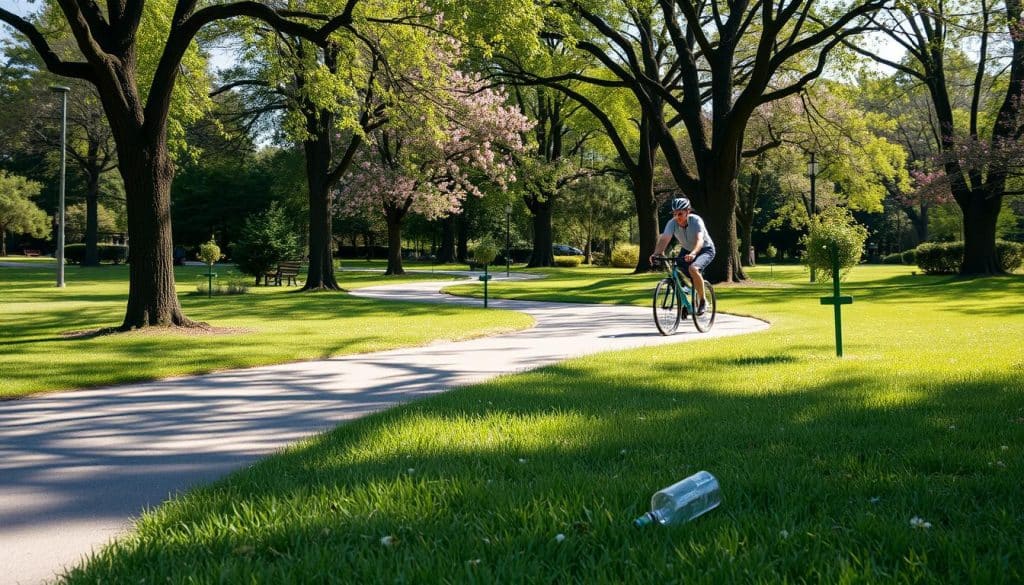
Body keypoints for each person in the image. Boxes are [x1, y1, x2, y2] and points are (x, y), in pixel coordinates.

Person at [649, 197, 716, 315]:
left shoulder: (696, 221)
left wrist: (693, 253)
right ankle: (684, 301)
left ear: (688, 212)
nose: (677, 217)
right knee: (675, 271)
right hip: (687, 250)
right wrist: (656, 253)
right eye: (674, 214)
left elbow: (699, 240)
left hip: (705, 249)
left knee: (693, 269)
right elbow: (664, 240)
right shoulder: (672, 223)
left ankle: (703, 301)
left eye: (680, 213)